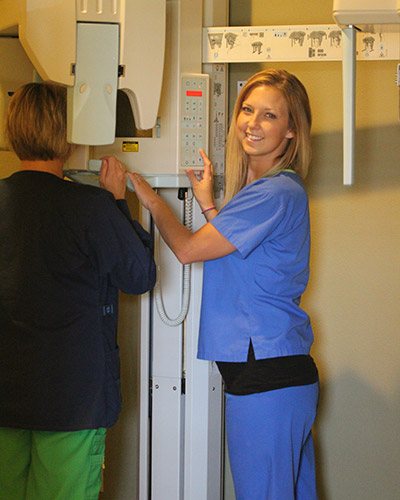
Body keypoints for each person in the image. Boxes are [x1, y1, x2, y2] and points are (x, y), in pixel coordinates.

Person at [128, 68, 319, 499]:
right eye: (247, 110)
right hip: (279, 379)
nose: (253, 123)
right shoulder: (271, 192)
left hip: (267, 382)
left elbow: (190, 250)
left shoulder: (274, 192)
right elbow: (243, 256)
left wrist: (151, 198)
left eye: (270, 116)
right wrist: (209, 204)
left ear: (291, 131)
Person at [0, 82, 156, 499]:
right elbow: (139, 276)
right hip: (71, 401)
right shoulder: (90, 207)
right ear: (67, 136)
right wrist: (118, 201)